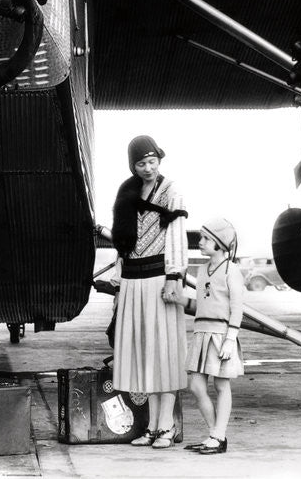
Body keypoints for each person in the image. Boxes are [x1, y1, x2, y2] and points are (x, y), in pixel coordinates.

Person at [109, 135, 188, 448]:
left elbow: (177, 235)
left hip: (159, 278)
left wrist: (174, 276)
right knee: (142, 355)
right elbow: (122, 239)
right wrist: (118, 280)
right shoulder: (127, 190)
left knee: (164, 354)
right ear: (133, 165)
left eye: (152, 161)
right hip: (132, 280)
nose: (147, 168)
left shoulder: (172, 191)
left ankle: (167, 426)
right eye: (141, 163)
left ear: (160, 160)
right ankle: (151, 426)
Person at [186, 218, 244, 455]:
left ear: (219, 243)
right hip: (201, 332)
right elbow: (201, 303)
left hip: (221, 335)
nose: (200, 242)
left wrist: (231, 338)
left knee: (221, 385)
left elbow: (237, 308)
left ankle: (217, 436)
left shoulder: (232, 270)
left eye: (206, 238)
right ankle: (215, 434)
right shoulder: (200, 270)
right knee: (195, 385)